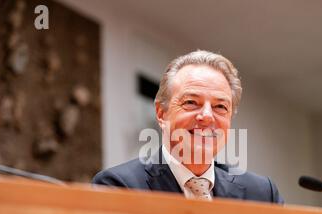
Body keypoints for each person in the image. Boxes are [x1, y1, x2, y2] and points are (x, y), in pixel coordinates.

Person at [92, 50, 283, 203]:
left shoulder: (261, 195)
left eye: (220, 106)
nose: (207, 116)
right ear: (161, 113)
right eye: (191, 102)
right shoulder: (119, 187)